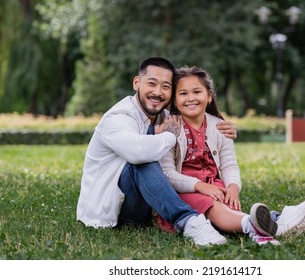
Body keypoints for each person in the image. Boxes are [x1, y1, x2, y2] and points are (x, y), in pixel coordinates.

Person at [158, 66, 305, 245]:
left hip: (217, 187)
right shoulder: (171, 127)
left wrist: (233, 187)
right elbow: (167, 173)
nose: (191, 98)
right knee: (213, 207)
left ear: (209, 96)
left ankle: (263, 230)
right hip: (185, 191)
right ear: (175, 99)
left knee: (227, 209)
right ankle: (271, 223)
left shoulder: (220, 127)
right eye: (183, 93)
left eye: (197, 91)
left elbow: (229, 165)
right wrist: (200, 186)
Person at [76, 57, 240, 246]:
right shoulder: (118, 117)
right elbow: (138, 152)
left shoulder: (165, 117)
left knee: (151, 156)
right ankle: (188, 221)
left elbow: (196, 124)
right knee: (143, 159)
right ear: (137, 83)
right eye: (151, 84)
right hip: (116, 208)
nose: (157, 92)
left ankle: (255, 221)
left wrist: (225, 129)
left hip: (152, 206)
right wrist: (168, 136)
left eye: (165, 87)